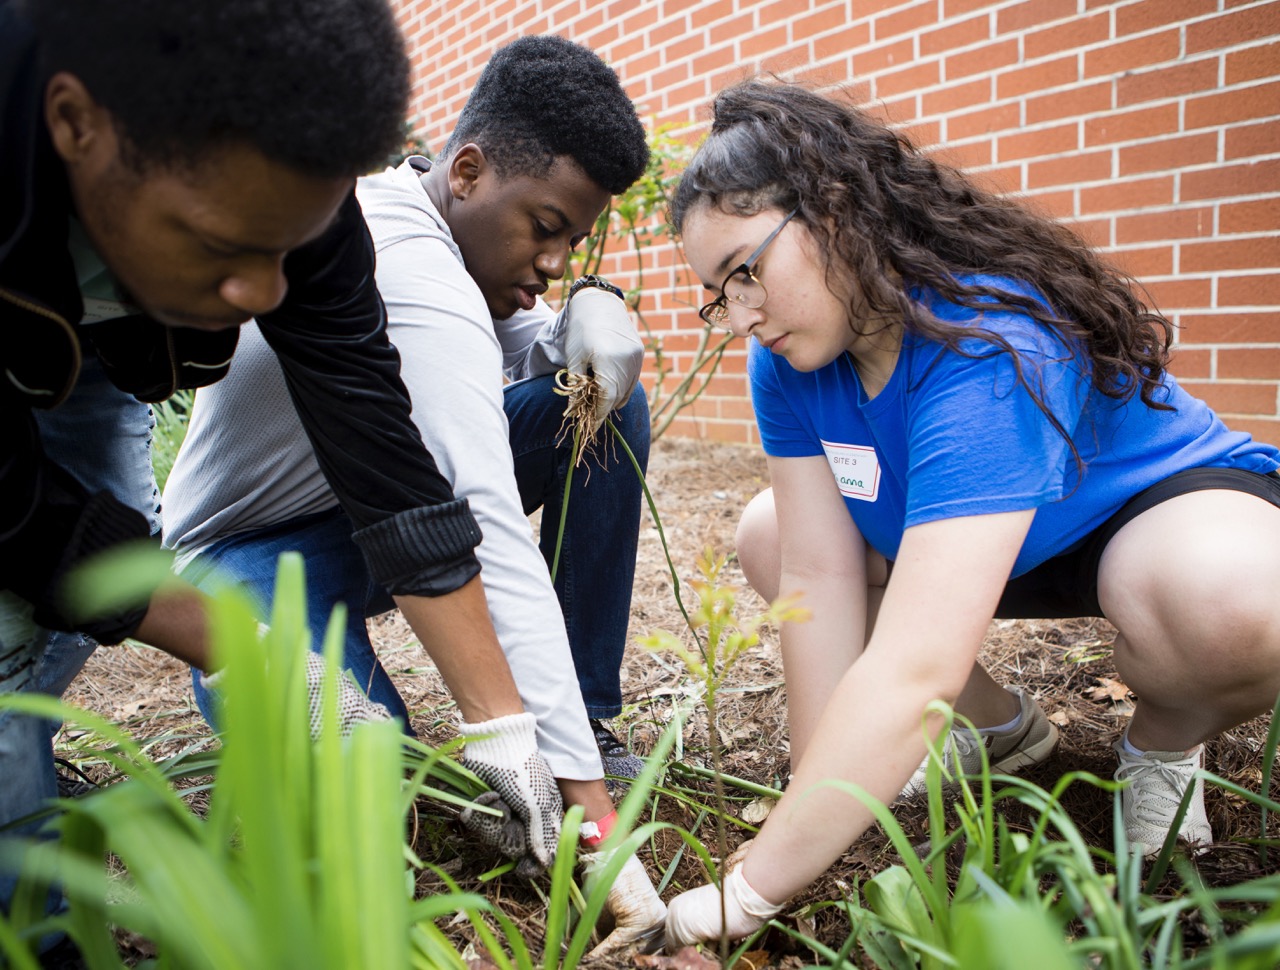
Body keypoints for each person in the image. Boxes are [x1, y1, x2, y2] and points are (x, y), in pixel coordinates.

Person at [0, 1, 638, 956]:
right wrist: (233, 642)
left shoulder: (324, 225)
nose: (264, 300)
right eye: (226, 246)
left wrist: (517, 736)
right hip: (196, 484)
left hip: (120, 344)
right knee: (14, 623)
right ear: (77, 125)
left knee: (81, 580)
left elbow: (400, 479)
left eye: (285, 255)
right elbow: (16, 510)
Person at [662, 79, 1280, 947]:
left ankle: (1165, 746)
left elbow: (914, 661)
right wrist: (811, 799)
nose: (740, 317)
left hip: (1147, 519)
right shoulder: (791, 365)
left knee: (1235, 600)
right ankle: (999, 730)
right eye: (717, 294)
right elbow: (815, 576)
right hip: (973, 540)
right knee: (773, 533)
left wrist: (751, 893)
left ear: (836, 213)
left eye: (746, 272)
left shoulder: (988, 338)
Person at [161, 36, 663, 951]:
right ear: (466, 171)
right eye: (546, 228)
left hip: (376, 524)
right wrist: (592, 815)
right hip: (252, 552)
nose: (552, 259)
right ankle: (565, 755)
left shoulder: (458, 240)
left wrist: (594, 300)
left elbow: (520, 360)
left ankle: (583, 714)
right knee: (367, 778)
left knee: (596, 408)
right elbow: (486, 526)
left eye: (572, 242)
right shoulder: (406, 262)